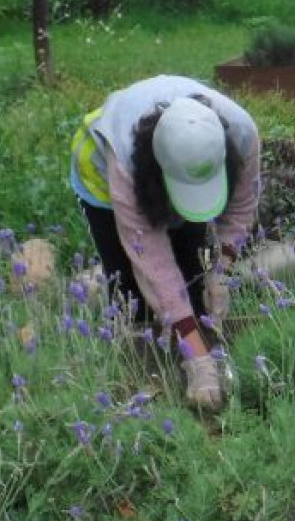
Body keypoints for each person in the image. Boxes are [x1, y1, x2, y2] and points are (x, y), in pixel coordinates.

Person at [69, 75, 260, 410]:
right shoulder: (127, 161)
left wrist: (223, 270)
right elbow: (152, 262)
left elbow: (243, 205)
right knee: (131, 287)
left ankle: (188, 341)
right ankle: (144, 381)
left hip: (173, 170)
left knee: (193, 271)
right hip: (102, 178)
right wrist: (199, 362)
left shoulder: (241, 134)